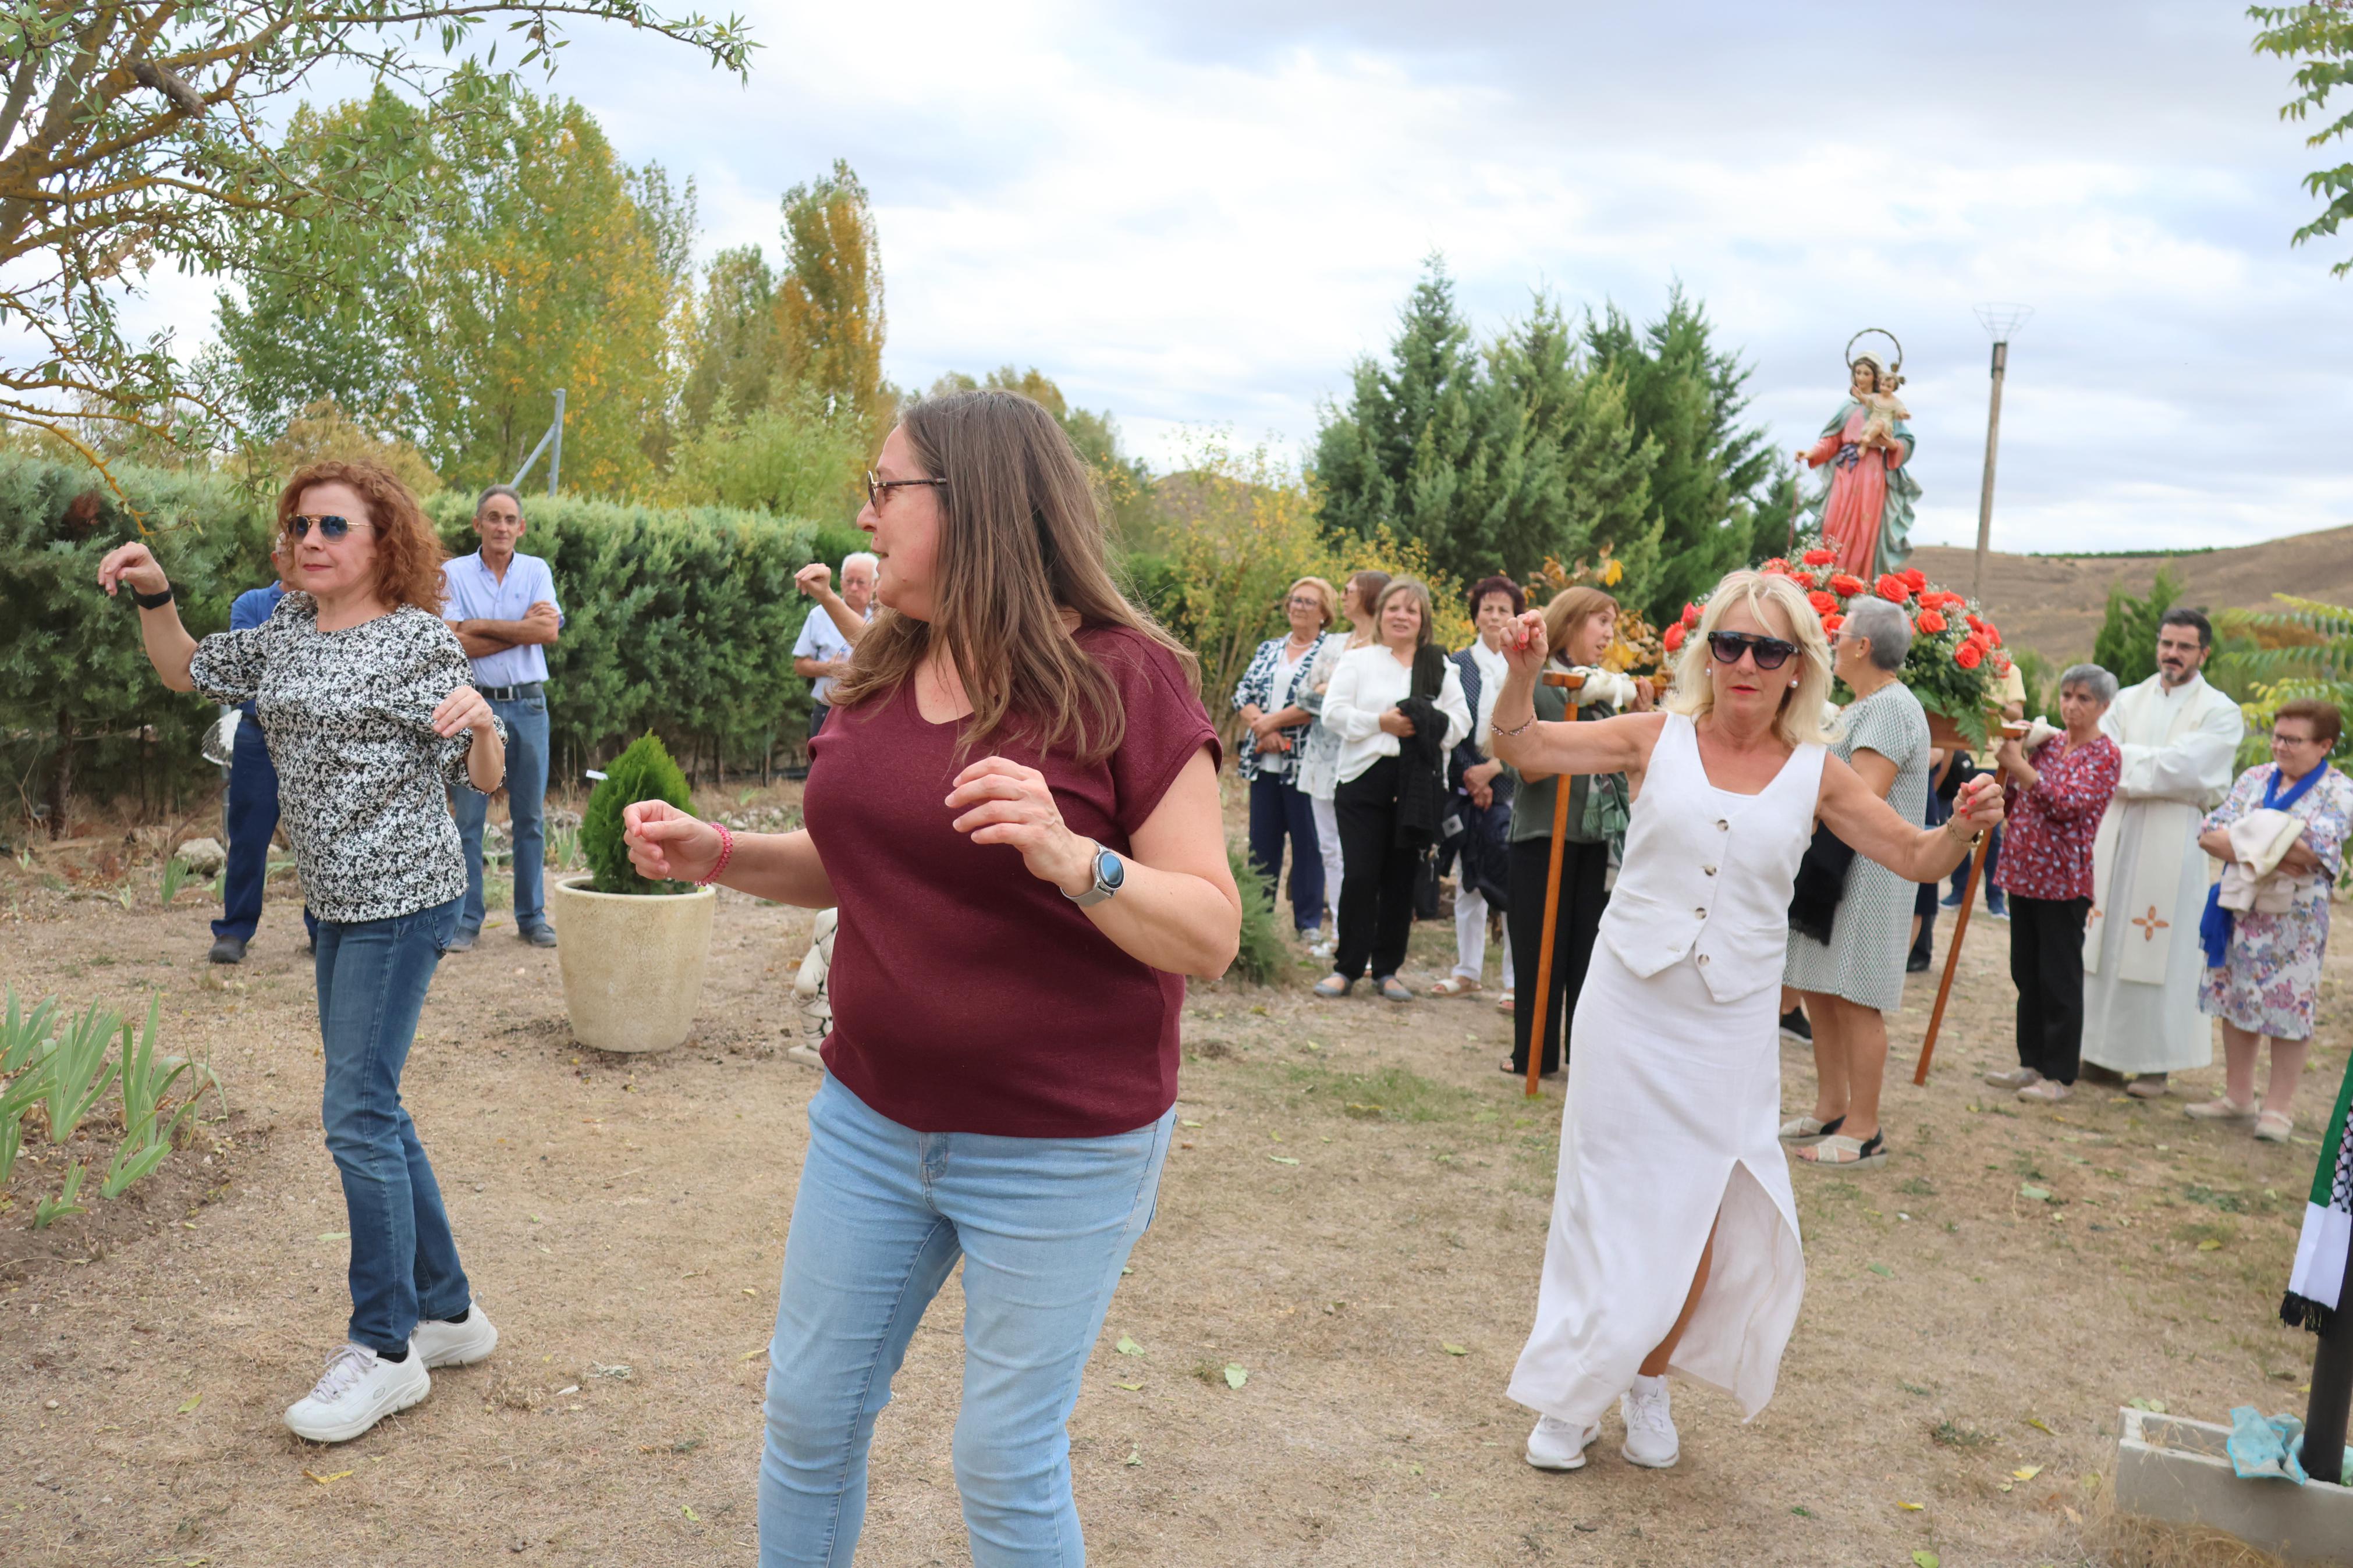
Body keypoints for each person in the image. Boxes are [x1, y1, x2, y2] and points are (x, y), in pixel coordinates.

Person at [617, 389, 1238, 1567]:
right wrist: (724, 856)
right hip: (869, 1124)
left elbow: (1207, 931)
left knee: (1001, 1466)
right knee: (807, 1420)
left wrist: (1072, 859)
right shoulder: (885, 664)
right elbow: (860, 866)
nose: (862, 512)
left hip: (1058, 1146)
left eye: (883, 489)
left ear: (975, 506)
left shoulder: (1122, 679)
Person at [1491, 570, 2002, 1473]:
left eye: (1767, 648)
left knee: (1696, 1205)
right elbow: (1524, 749)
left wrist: (1962, 825)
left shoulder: (1818, 771)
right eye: (1728, 642)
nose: (1744, 662)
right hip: (1629, 1000)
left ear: (1797, 667)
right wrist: (1520, 672)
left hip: (1728, 1022)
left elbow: (1916, 856)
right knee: (1600, 1198)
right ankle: (1569, 1395)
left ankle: (1647, 1378)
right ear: (1705, 653)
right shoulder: (1653, 735)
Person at [98, 460, 507, 1443]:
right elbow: (181, 666)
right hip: (330, 902)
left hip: (403, 900)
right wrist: (155, 594)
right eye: (299, 525)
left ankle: (386, 1349)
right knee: (374, 1103)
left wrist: (484, 723)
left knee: (356, 1112)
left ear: (382, 544)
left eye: (333, 525)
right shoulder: (283, 632)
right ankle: (448, 1313)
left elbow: (483, 773)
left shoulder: (414, 639)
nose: (310, 538)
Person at [1779, 596, 1931, 1168]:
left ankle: (1864, 1128)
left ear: (1863, 646)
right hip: (1836, 870)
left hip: (1871, 872)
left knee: (1857, 997)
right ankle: (1830, 1107)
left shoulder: (1891, 709)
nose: (1833, 641)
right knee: (1819, 986)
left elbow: (1860, 798)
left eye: (1839, 634)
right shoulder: (1861, 706)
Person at [2081, 609, 2246, 1097]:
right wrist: (2135, 767)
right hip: (2115, 830)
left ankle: (2154, 1063)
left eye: (2184, 646)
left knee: (2164, 949)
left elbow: (2187, 770)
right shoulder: (2126, 700)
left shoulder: (2220, 710)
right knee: (2105, 939)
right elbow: (2098, 753)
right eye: (2166, 643)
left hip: (2176, 835)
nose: (2171, 654)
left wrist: (2125, 765)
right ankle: (2099, 1054)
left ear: (2203, 652)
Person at [2185, 699, 2350, 1140]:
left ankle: (2277, 1110)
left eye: (2292, 740)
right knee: (2236, 995)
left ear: (2323, 745)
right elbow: (2209, 833)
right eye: (2277, 736)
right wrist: (2274, 844)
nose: (2279, 746)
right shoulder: (2255, 778)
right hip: (2240, 908)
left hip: (2294, 919)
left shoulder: (2339, 791)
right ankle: (2237, 1096)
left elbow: (2317, 850)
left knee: (2289, 1007)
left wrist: (2246, 835)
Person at [1499, 586, 1646, 1077]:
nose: (1607, 634)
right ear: (1569, 622)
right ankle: (1532, 1055)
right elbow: (1528, 767)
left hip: (1593, 841)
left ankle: (1582, 1057)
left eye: (1612, 623)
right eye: (1598, 621)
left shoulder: (1607, 688)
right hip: (1544, 836)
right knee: (1541, 950)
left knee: (1587, 955)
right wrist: (1578, 714)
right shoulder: (1543, 681)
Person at [1313, 578, 1470, 1002]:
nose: (1401, 616)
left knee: (1401, 878)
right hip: (1363, 780)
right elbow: (1333, 713)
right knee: (1361, 876)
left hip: (1416, 786)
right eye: (1393, 608)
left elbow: (1460, 722)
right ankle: (1347, 967)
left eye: (1411, 610)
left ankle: (1387, 970)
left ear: (1423, 620)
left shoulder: (1439, 666)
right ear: (1380, 614)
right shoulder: (1358, 661)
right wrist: (1380, 722)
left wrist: (1424, 727)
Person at [1981, 665, 2123, 1104]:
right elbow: (2016, 795)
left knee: (2058, 977)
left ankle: (2059, 1072)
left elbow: (2066, 805)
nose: (2070, 705)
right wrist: (2008, 767)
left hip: (2062, 879)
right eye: (2065, 695)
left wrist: (2019, 766)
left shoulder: (2105, 754)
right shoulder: (2048, 744)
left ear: (2103, 706)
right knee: (2025, 971)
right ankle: (2032, 1061)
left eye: (2082, 698)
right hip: (2022, 870)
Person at [442, 485, 562, 950]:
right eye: (493, 517)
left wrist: (478, 626)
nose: (502, 527)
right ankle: (467, 920)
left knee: (529, 817)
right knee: (468, 820)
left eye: (510, 519)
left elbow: (547, 630)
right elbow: (453, 641)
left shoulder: (536, 570)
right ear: (478, 525)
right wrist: (521, 630)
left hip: (528, 704)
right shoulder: (451, 573)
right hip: (474, 708)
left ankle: (532, 917)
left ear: (521, 527)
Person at [210, 539, 318, 964]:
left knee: (317, 835)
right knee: (248, 838)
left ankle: (322, 931)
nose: (307, 554)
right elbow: (246, 670)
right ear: (277, 559)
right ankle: (234, 931)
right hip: (258, 735)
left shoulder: (331, 603)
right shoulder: (252, 604)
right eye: (292, 549)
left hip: (314, 738)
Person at [1431, 575, 1524, 1001]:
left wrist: (1494, 771)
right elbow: (1451, 725)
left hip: (1513, 786)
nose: (1494, 615)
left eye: (1503, 609)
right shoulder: (1456, 664)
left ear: (1515, 617)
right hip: (1466, 785)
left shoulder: (1524, 667)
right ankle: (1467, 969)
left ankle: (1512, 982)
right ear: (1475, 614)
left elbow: (1532, 728)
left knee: (1509, 882)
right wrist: (1473, 774)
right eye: (1487, 608)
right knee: (1470, 879)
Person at [1233, 577, 1337, 941]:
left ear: (1325, 612)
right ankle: (1257, 920)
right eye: (1294, 599)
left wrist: (1271, 722)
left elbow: (1322, 702)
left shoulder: (1331, 653)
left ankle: (1308, 924)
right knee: (1262, 844)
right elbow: (1242, 692)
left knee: (1308, 844)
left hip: (1306, 765)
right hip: (1264, 761)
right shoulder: (1269, 648)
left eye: (1308, 602)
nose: (1298, 606)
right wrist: (1264, 729)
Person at [1294, 569, 1388, 957]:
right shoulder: (1332, 644)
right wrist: (1336, 696)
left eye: (1349, 591)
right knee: (1329, 849)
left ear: (1368, 596)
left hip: (1363, 761)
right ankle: (1339, 934)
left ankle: (1366, 934)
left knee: (1362, 853)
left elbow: (1378, 706)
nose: (1343, 596)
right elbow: (1305, 695)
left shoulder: (1386, 647)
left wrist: (1331, 692)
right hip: (1321, 759)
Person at [1796, 349, 1919, 581]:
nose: (1860, 378)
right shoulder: (1848, 407)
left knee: (1865, 529)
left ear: (1876, 378)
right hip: (1845, 469)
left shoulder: (1885, 407)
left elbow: (1905, 441)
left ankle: (1857, 581)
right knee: (1832, 523)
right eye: (1857, 373)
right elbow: (1832, 440)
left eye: (1865, 373)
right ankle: (1830, 579)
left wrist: (1891, 444)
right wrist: (1811, 452)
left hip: (1871, 473)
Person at [792, 550, 878, 738]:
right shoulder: (819, 615)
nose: (854, 588)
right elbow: (799, 665)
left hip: (872, 715)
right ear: (840, 582)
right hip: (827, 711)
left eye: (861, 582)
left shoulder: (885, 619)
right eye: (849, 581)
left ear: (875, 585)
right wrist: (829, 668)